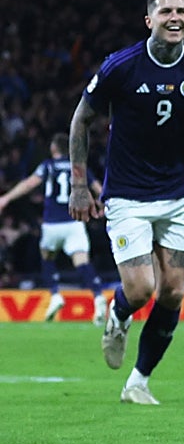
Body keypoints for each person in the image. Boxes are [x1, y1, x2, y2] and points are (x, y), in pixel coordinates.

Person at [68, 0, 184, 405]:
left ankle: (138, 381)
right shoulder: (122, 67)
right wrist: (80, 185)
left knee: (173, 291)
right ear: (149, 20)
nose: (175, 18)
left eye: (182, 11)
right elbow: (80, 121)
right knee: (140, 290)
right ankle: (119, 315)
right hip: (127, 195)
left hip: (176, 195)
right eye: (166, 12)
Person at [0, 132, 106, 325]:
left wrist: (6, 198)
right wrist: (106, 205)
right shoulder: (78, 168)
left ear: (54, 148)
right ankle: (98, 296)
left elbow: (29, 183)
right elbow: (99, 188)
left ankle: (55, 294)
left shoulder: (47, 166)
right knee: (82, 261)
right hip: (74, 223)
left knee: (46, 256)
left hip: (52, 225)